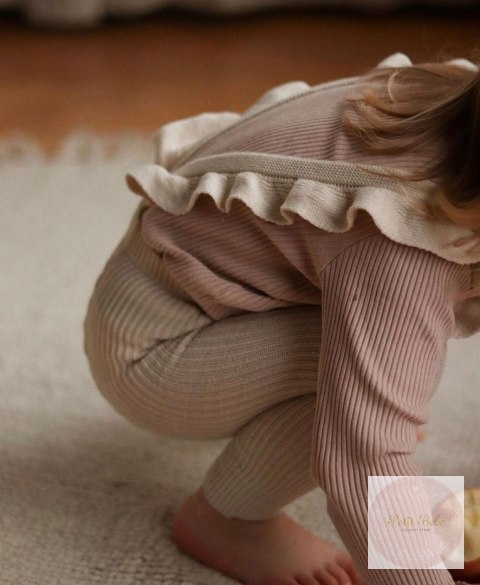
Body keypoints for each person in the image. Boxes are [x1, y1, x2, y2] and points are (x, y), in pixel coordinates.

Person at [83, 52, 480, 585]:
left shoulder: (460, 104)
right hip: (152, 351)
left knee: (387, 372)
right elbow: (363, 455)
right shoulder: (406, 238)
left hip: (218, 299)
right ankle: (227, 520)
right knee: (371, 386)